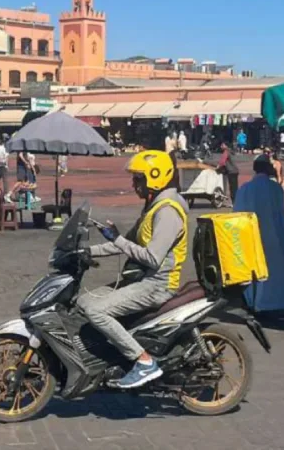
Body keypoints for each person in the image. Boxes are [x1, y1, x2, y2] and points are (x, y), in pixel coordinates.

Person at [77, 150, 189, 389]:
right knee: (84, 302)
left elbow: (151, 257)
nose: (133, 184)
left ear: (155, 177)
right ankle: (107, 356)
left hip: (157, 284)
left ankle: (144, 361)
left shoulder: (168, 212)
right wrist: (86, 251)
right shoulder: (153, 206)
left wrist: (118, 239)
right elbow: (123, 243)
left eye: (138, 178)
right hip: (143, 280)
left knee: (96, 310)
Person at [234, 154, 284, 313]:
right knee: (273, 268)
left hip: (249, 235)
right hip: (272, 234)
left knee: (252, 269)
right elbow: (281, 214)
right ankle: (272, 301)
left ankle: (251, 300)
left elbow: (236, 214)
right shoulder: (275, 189)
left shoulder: (244, 189)